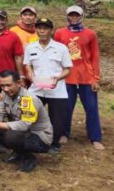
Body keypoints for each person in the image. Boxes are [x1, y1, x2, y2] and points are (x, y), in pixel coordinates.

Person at [0, 70, 53, 173]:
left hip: (40, 138)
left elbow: (24, 125)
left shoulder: (28, 99)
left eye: (9, 85)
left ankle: (28, 157)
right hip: (21, 134)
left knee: (11, 136)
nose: (5, 89)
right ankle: (19, 152)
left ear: (18, 83)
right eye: (2, 85)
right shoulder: (4, 94)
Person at [54, 6, 104, 150]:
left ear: (81, 16)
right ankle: (64, 133)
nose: (74, 17)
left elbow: (95, 57)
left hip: (86, 77)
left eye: (77, 15)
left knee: (92, 108)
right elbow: (56, 55)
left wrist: (96, 78)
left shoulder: (90, 34)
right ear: (67, 16)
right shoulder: (59, 33)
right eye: (71, 15)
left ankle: (95, 137)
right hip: (67, 76)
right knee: (66, 108)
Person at [24, 17, 72, 153]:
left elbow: (68, 69)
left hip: (56, 90)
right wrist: (30, 75)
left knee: (56, 120)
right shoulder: (30, 47)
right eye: (39, 28)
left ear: (51, 30)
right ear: (36, 30)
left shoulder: (61, 48)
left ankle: (53, 144)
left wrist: (58, 78)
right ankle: (29, 140)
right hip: (36, 89)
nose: (42, 31)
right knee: (29, 115)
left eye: (45, 28)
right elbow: (28, 64)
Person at [0, 10, 25, 94]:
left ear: (6, 20)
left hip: (8, 80)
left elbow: (18, 57)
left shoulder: (13, 36)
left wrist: (21, 77)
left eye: (2, 19)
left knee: (9, 105)